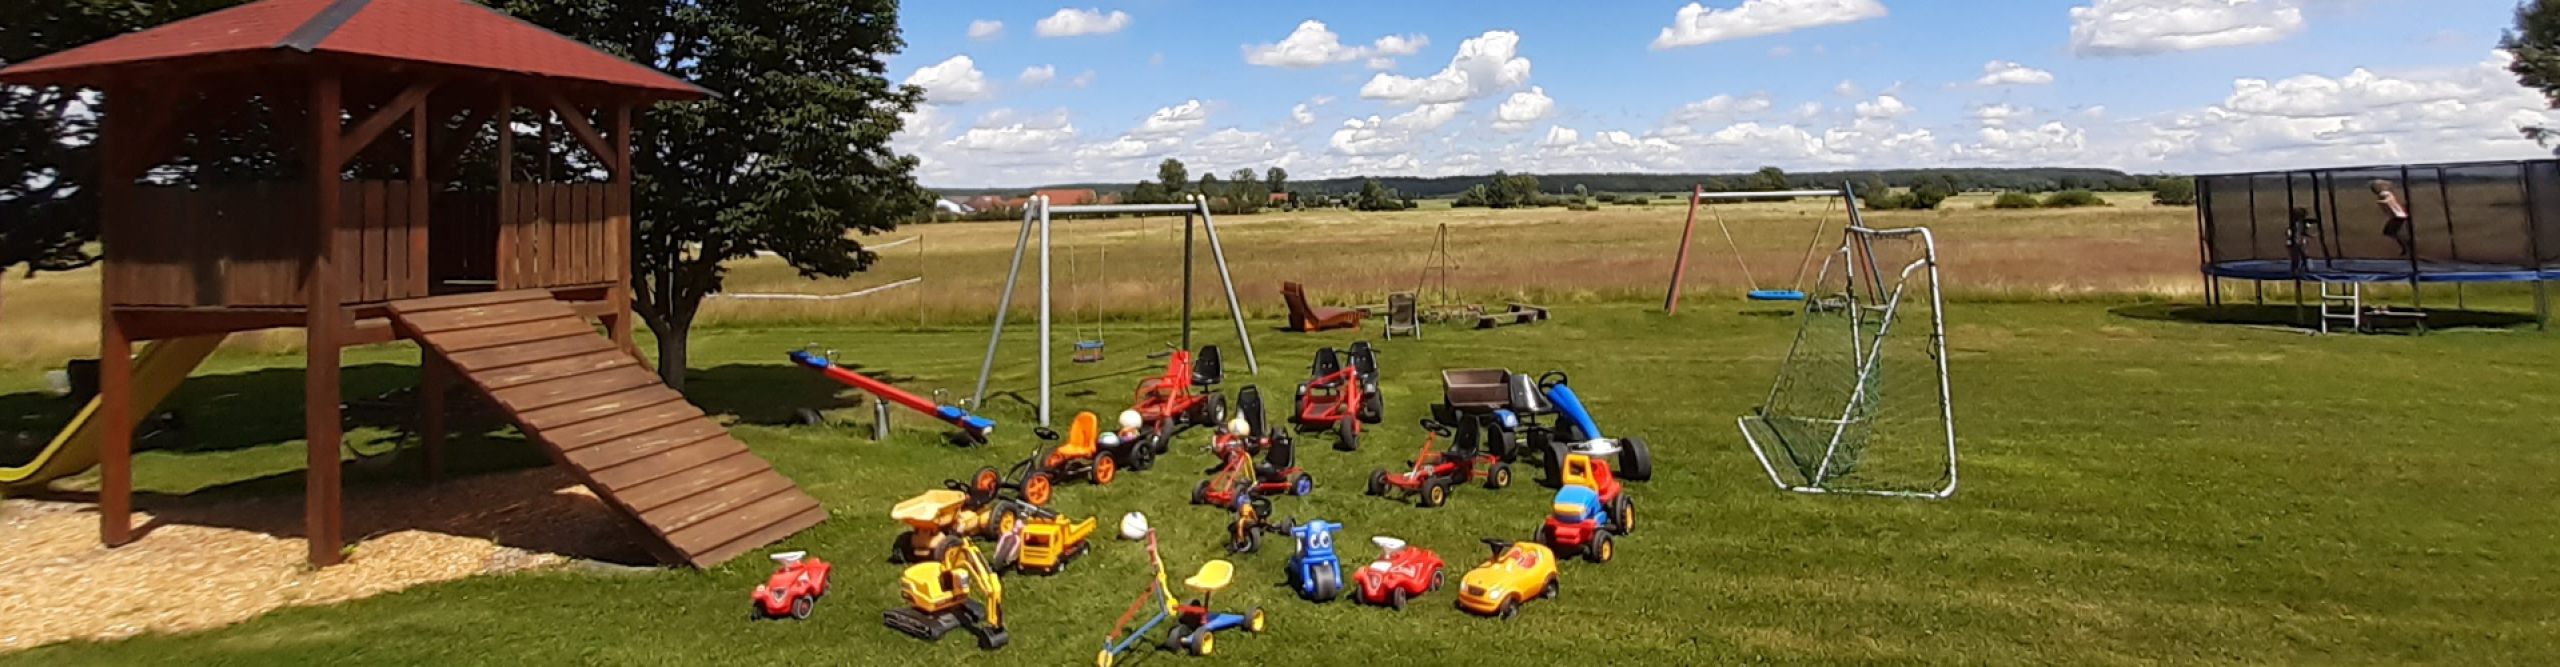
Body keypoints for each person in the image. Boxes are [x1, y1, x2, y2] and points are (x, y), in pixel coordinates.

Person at [2372, 180, 2413, 257]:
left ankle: (2407, 244)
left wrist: (2382, 201)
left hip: (2398, 216)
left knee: (2390, 232)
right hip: (2397, 215)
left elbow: (2388, 199)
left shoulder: (2384, 194)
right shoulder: (2385, 193)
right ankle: (2406, 246)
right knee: (2391, 232)